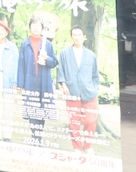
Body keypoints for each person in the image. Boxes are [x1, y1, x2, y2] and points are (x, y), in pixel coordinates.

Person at [14, 13, 59, 147]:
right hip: (30, 81)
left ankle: (39, 136)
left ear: (42, 28)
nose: (35, 28)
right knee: (31, 108)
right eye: (33, 25)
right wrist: (21, 83)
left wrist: (46, 58)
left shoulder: (47, 44)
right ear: (30, 27)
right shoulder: (25, 44)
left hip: (44, 82)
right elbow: (21, 64)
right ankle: (35, 137)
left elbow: (54, 62)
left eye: (38, 26)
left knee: (42, 109)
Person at [57, 25, 101, 153]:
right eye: (74, 35)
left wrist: (95, 88)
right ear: (71, 37)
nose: (77, 37)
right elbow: (61, 71)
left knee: (91, 120)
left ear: (84, 37)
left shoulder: (91, 55)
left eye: (79, 35)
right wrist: (63, 84)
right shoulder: (65, 53)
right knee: (73, 121)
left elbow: (95, 75)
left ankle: (88, 145)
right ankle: (77, 147)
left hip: (89, 92)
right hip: (72, 91)